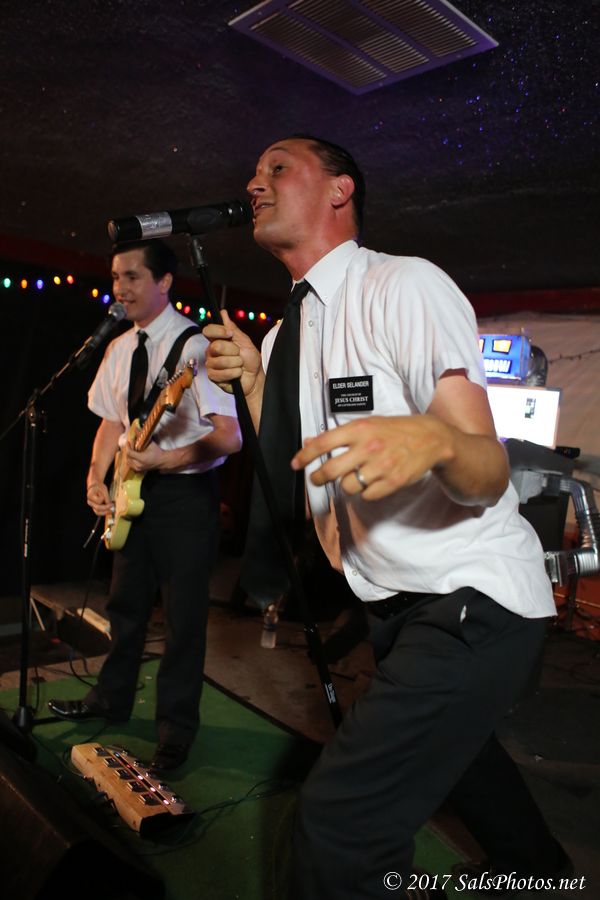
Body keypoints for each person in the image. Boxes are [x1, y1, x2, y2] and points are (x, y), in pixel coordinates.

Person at [203, 136, 572, 898]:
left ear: (340, 191)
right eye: (255, 171)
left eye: (278, 167)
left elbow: (487, 467)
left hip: (473, 598)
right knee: (462, 763)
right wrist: (259, 385)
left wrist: (438, 440)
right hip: (393, 606)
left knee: (339, 824)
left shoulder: (401, 285)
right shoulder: (284, 334)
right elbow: (302, 466)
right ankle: (543, 875)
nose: (254, 182)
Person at [49, 239, 241, 771]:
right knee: (125, 608)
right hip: (131, 492)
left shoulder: (196, 348)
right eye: (115, 277)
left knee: (183, 621)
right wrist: (96, 478)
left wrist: (166, 459)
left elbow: (229, 438)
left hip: (185, 498)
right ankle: (109, 698)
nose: (119, 288)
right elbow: (112, 422)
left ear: (164, 283)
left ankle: (175, 731)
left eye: (132, 277)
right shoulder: (118, 347)